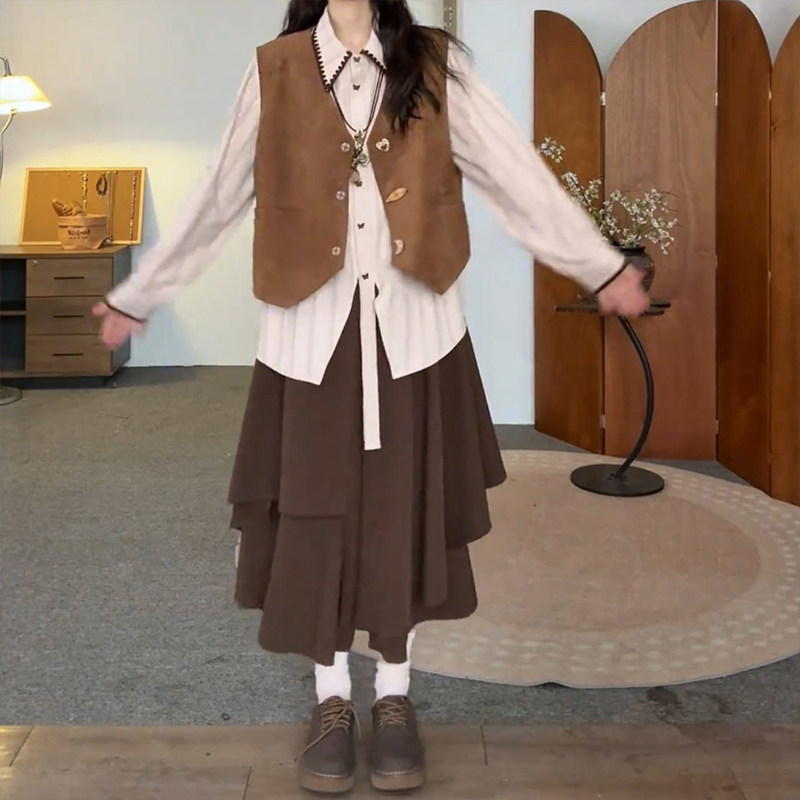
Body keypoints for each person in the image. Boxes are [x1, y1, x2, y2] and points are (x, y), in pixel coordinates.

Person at [94, 0, 649, 793]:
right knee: (315, 521)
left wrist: (598, 266)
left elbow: (517, 175)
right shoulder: (275, 70)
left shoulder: (436, 65)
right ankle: (331, 700)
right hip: (308, 340)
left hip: (414, 336)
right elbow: (219, 194)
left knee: (400, 520)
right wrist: (140, 292)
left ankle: (394, 697)